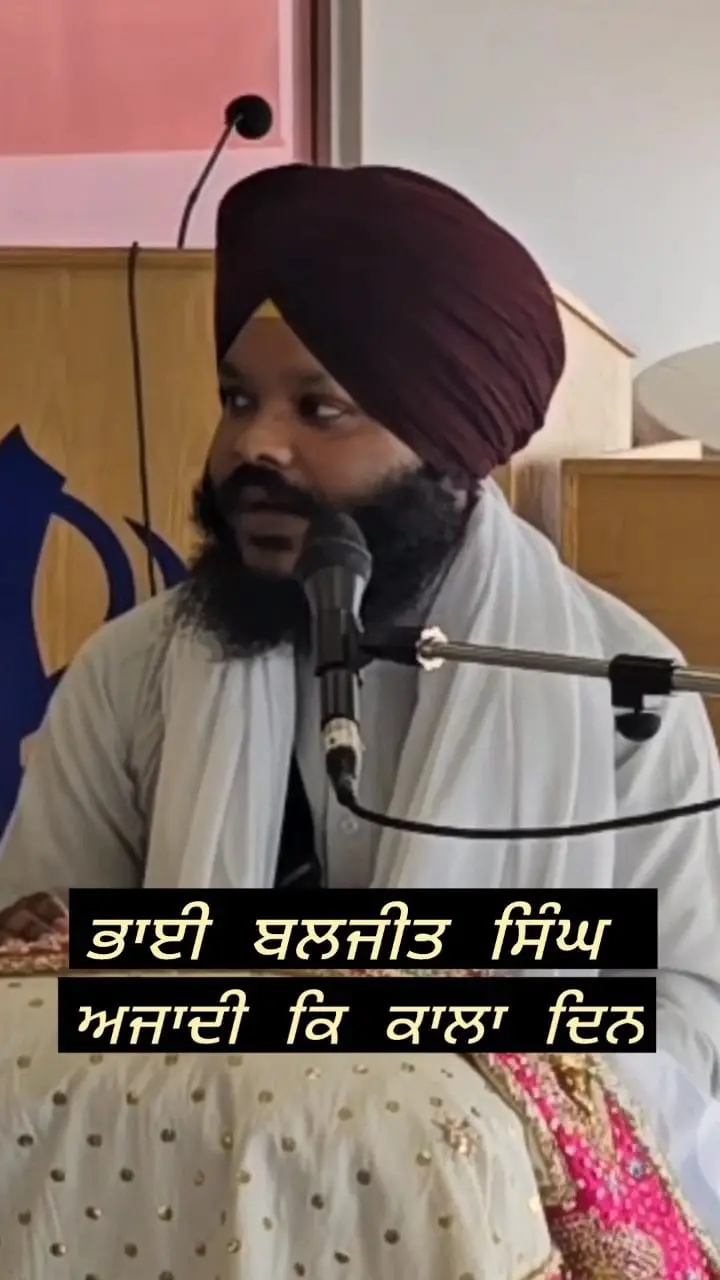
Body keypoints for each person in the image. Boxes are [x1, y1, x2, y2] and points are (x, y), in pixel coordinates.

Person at [1, 163, 720, 1193]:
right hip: (184, 1212)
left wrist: (437, 1040)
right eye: (238, 398)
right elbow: (45, 977)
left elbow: (691, 1017)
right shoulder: (139, 668)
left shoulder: (620, 692)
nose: (253, 445)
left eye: (320, 408)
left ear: (448, 445)